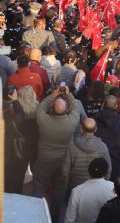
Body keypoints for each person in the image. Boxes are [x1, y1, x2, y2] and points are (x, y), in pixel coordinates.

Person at [32, 86, 81, 219]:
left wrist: (52, 96)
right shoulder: (72, 121)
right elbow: (76, 108)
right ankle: (54, 216)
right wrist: (69, 95)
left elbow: (41, 107)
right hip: (63, 161)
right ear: (66, 110)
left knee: (39, 185)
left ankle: (36, 215)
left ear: (52, 109)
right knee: (59, 189)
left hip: (44, 160)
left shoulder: (43, 120)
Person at [4, 86, 39, 193]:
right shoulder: (38, 110)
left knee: (9, 175)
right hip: (27, 150)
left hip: (14, 148)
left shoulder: (13, 109)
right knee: (19, 176)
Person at [62, 118, 112, 192]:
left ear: (81, 129)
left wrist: (66, 186)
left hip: (75, 186)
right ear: (96, 129)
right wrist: (103, 183)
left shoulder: (71, 146)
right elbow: (108, 168)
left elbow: (65, 170)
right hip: (95, 186)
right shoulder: (102, 146)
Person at [64, 158, 114, 223]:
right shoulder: (113, 187)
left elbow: (69, 220)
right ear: (106, 171)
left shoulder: (77, 191)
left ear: (89, 171)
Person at [95, 95, 120, 179]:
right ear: (116, 106)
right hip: (116, 159)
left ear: (103, 104)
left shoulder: (95, 119)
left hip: (98, 158)